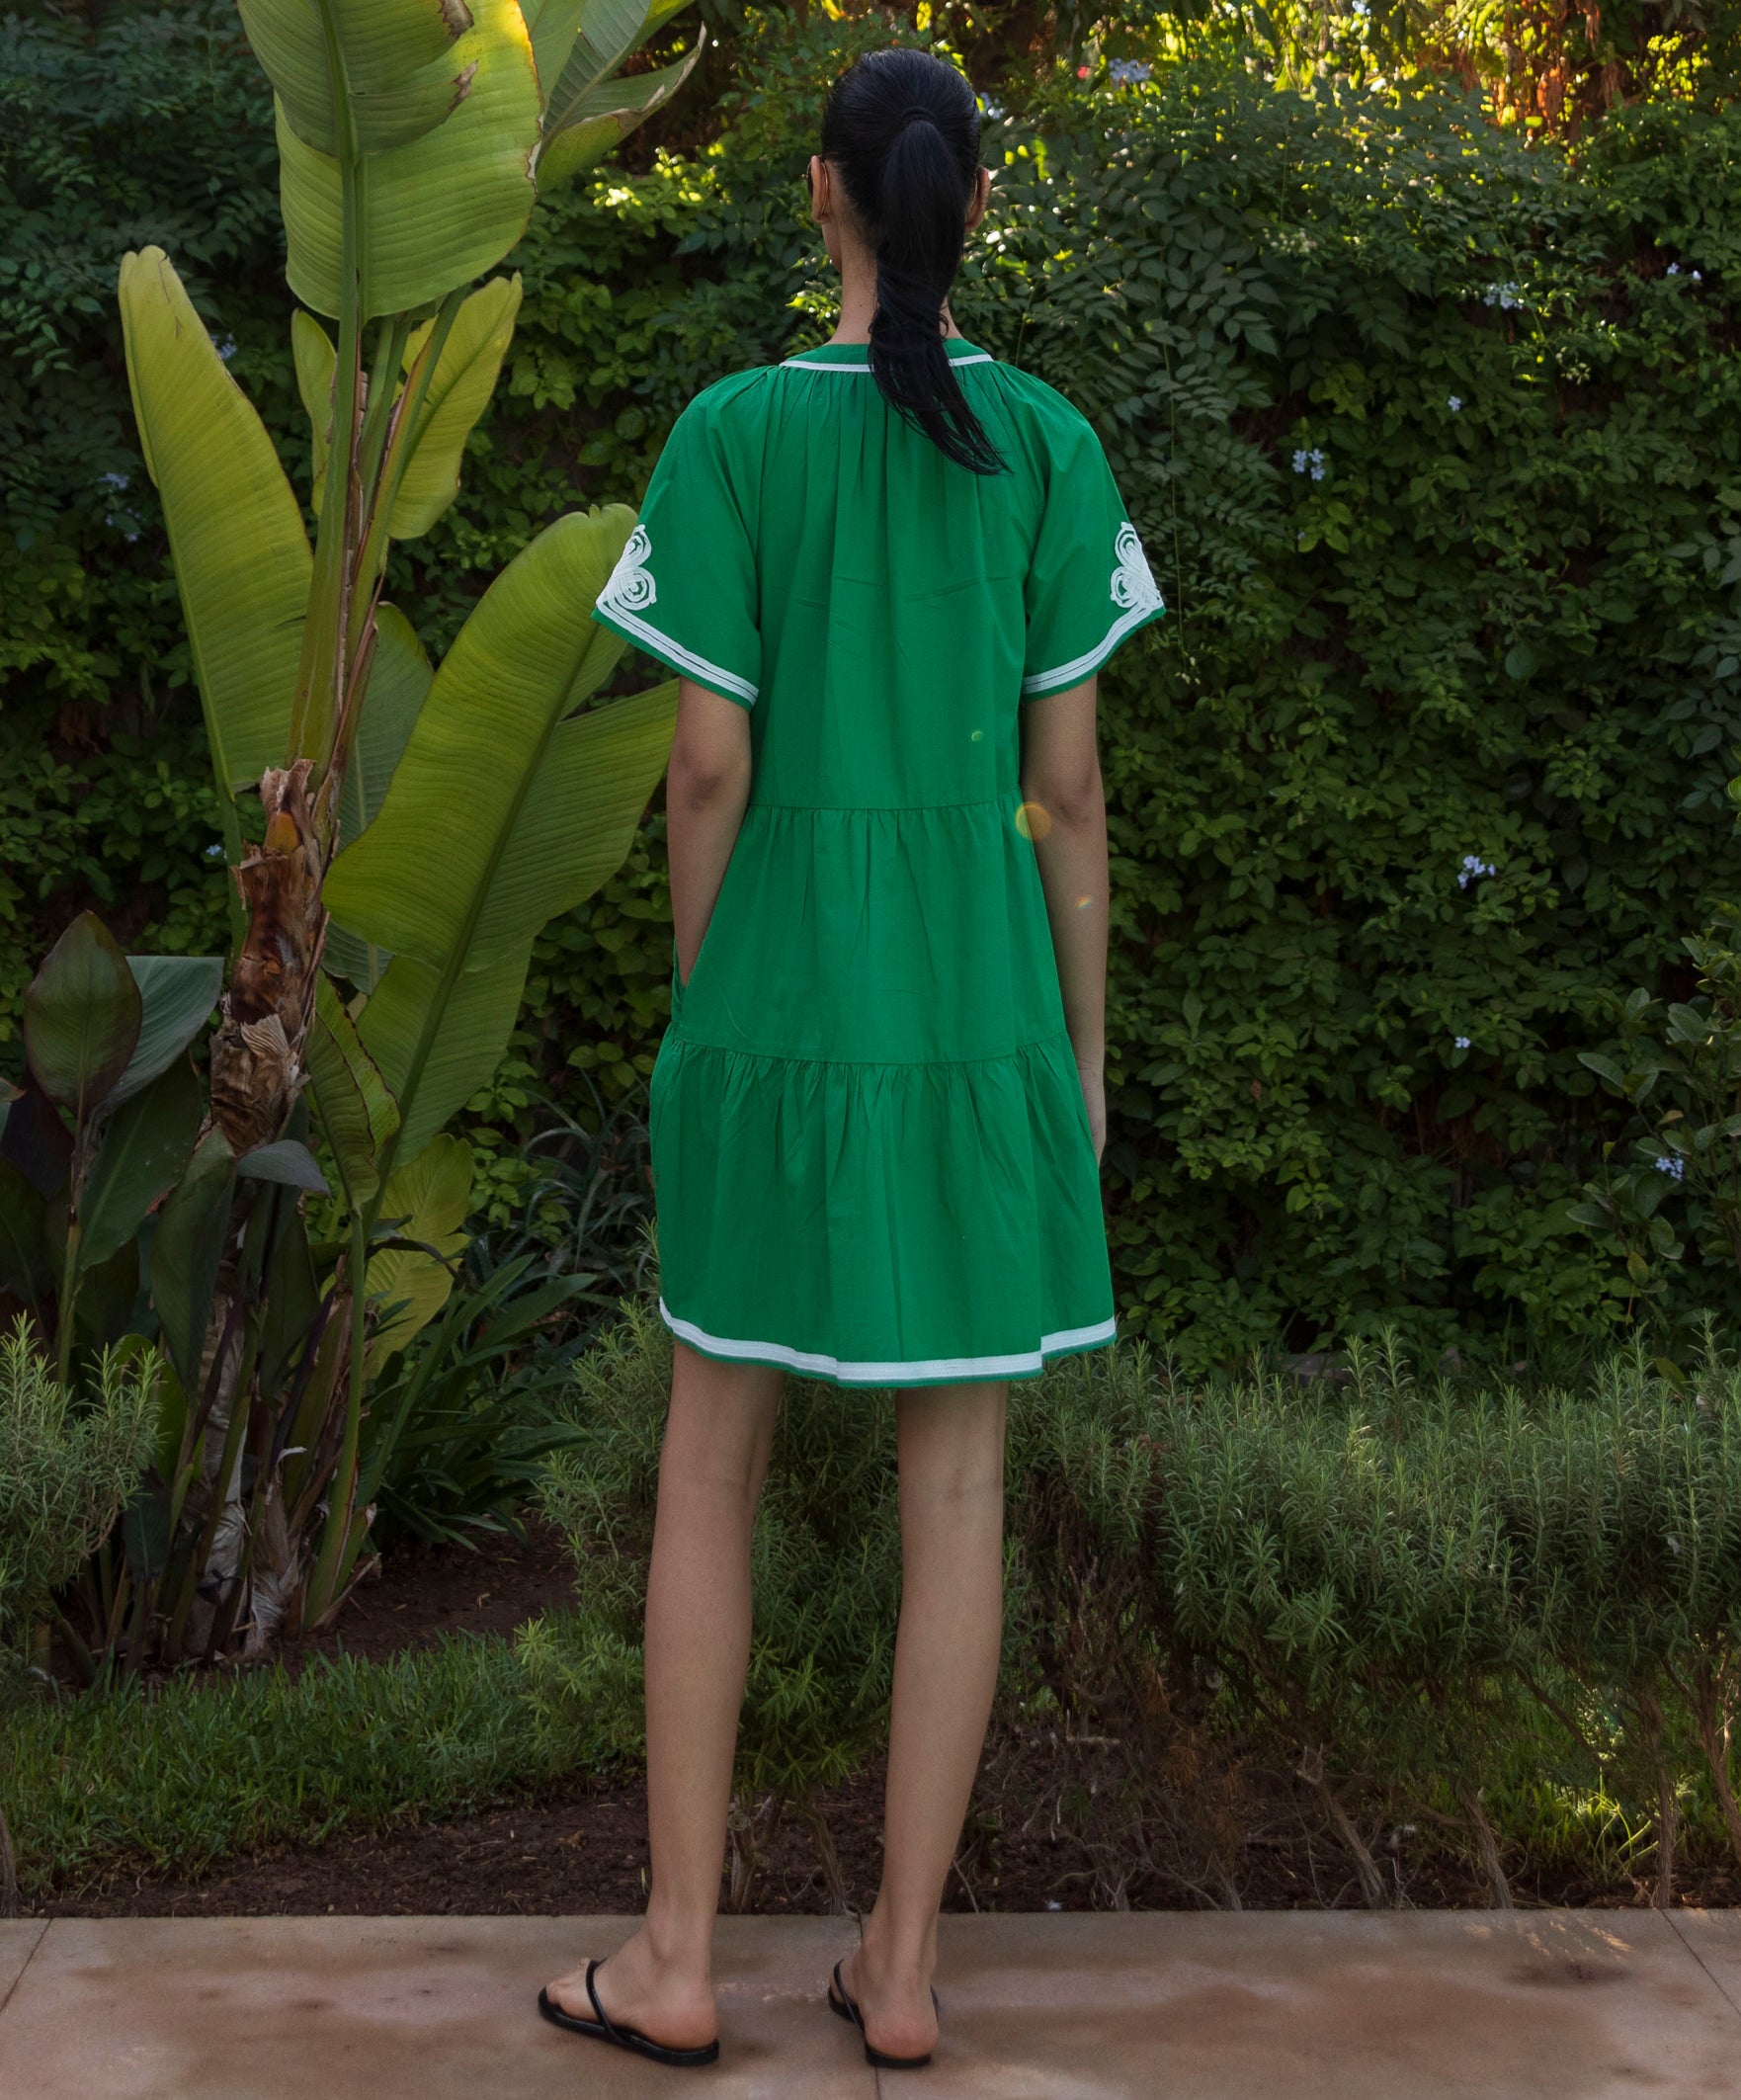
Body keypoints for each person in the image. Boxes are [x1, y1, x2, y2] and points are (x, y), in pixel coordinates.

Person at [538, 42, 1165, 2074]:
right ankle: (895, 1975)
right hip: (979, 1028)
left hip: (779, 1019)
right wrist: (1076, 1058)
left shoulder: (727, 436)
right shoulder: (1052, 447)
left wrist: (724, 1007)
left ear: (821, 196)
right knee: (955, 1491)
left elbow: (703, 765)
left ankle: (675, 1959)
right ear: (964, 208)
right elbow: (1066, 803)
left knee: (705, 1466)